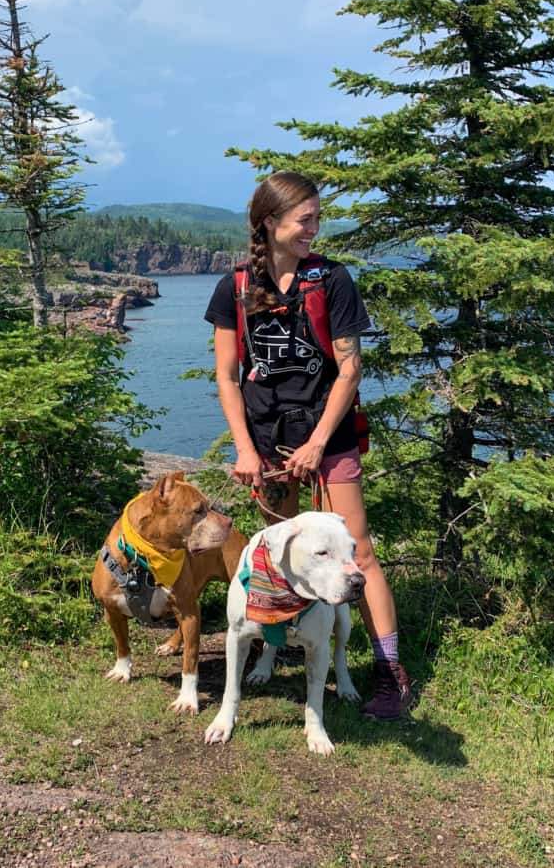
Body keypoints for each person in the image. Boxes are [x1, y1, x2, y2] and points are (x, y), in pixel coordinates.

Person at [204, 170, 412, 720]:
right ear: (270, 223)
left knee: (357, 549)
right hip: (268, 441)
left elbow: (349, 369)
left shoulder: (332, 281)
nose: (314, 231)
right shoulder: (236, 287)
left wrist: (319, 442)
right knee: (277, 553)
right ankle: (277, 649)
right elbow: (227, 375)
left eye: (316, 219)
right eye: (305, 220)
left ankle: (391, 676)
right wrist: (245, 451)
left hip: (329, 434)